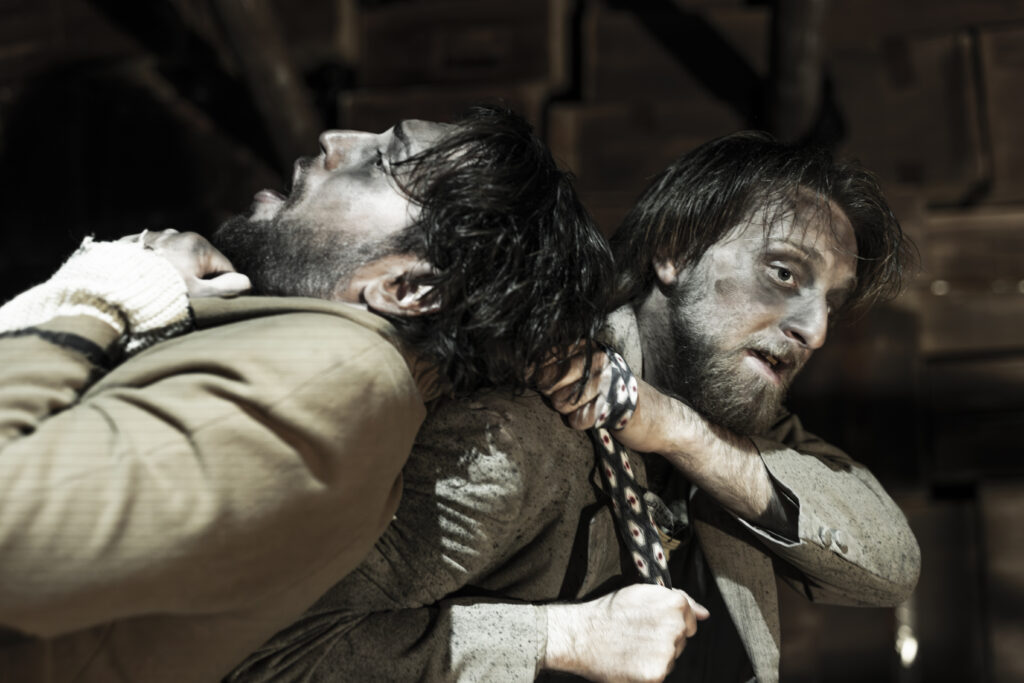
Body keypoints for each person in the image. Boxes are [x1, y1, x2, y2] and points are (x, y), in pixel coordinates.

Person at [227, 130, 922, 683]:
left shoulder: (737, 432)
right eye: (784, 273)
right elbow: (278, 652)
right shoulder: (520, 431)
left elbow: (891, 564)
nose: (815, 330)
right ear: (675, 251)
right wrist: (556, 637)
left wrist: (672, 428)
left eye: (829, 303)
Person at [0, 105, 613, 682]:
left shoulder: (338, 375)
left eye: (381, 162)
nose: (334, 139)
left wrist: (110, 288)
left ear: (410, 289)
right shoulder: (323, 364)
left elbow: (14, 533)